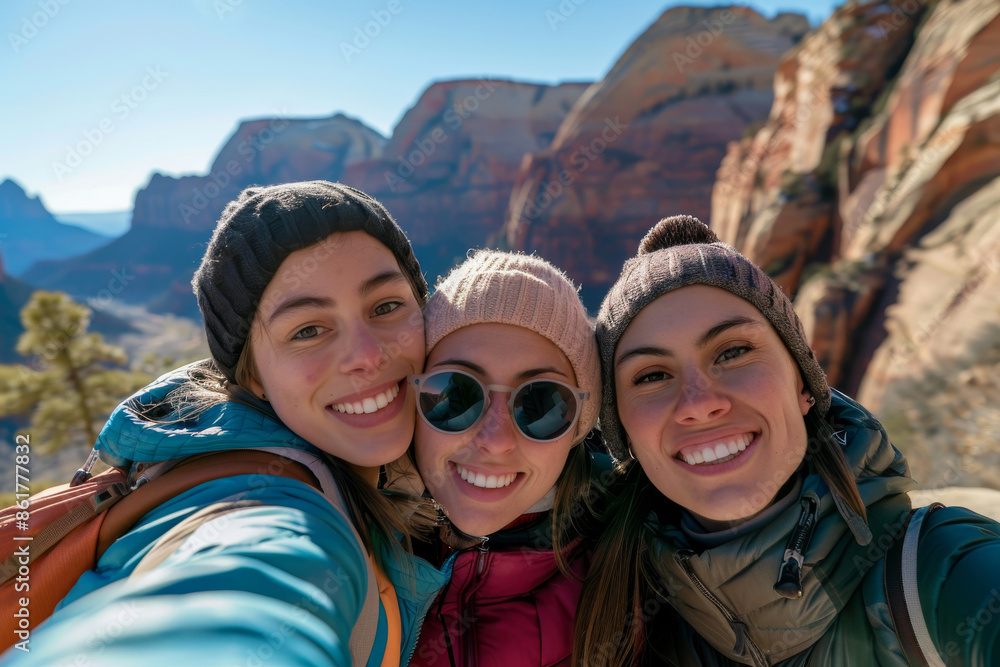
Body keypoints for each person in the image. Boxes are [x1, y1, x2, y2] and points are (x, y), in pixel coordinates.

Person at [1, 181, 447, 666]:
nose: (368, 355)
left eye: (386, 306)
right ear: (252, 376)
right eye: (308, 330)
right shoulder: (267, 506)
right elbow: (238, 586)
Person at [576, 215, 1000, 666]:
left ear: (803, 385)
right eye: (651, 376)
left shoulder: (940, 574)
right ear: (625, 436)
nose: (699, 404)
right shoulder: (614, 614)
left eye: (733, 351)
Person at [402, 251, 609, 667]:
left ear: (577, 430)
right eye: (455, 393)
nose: (494, 441)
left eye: (542, 403)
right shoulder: (345, 535)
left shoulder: (632, 572)